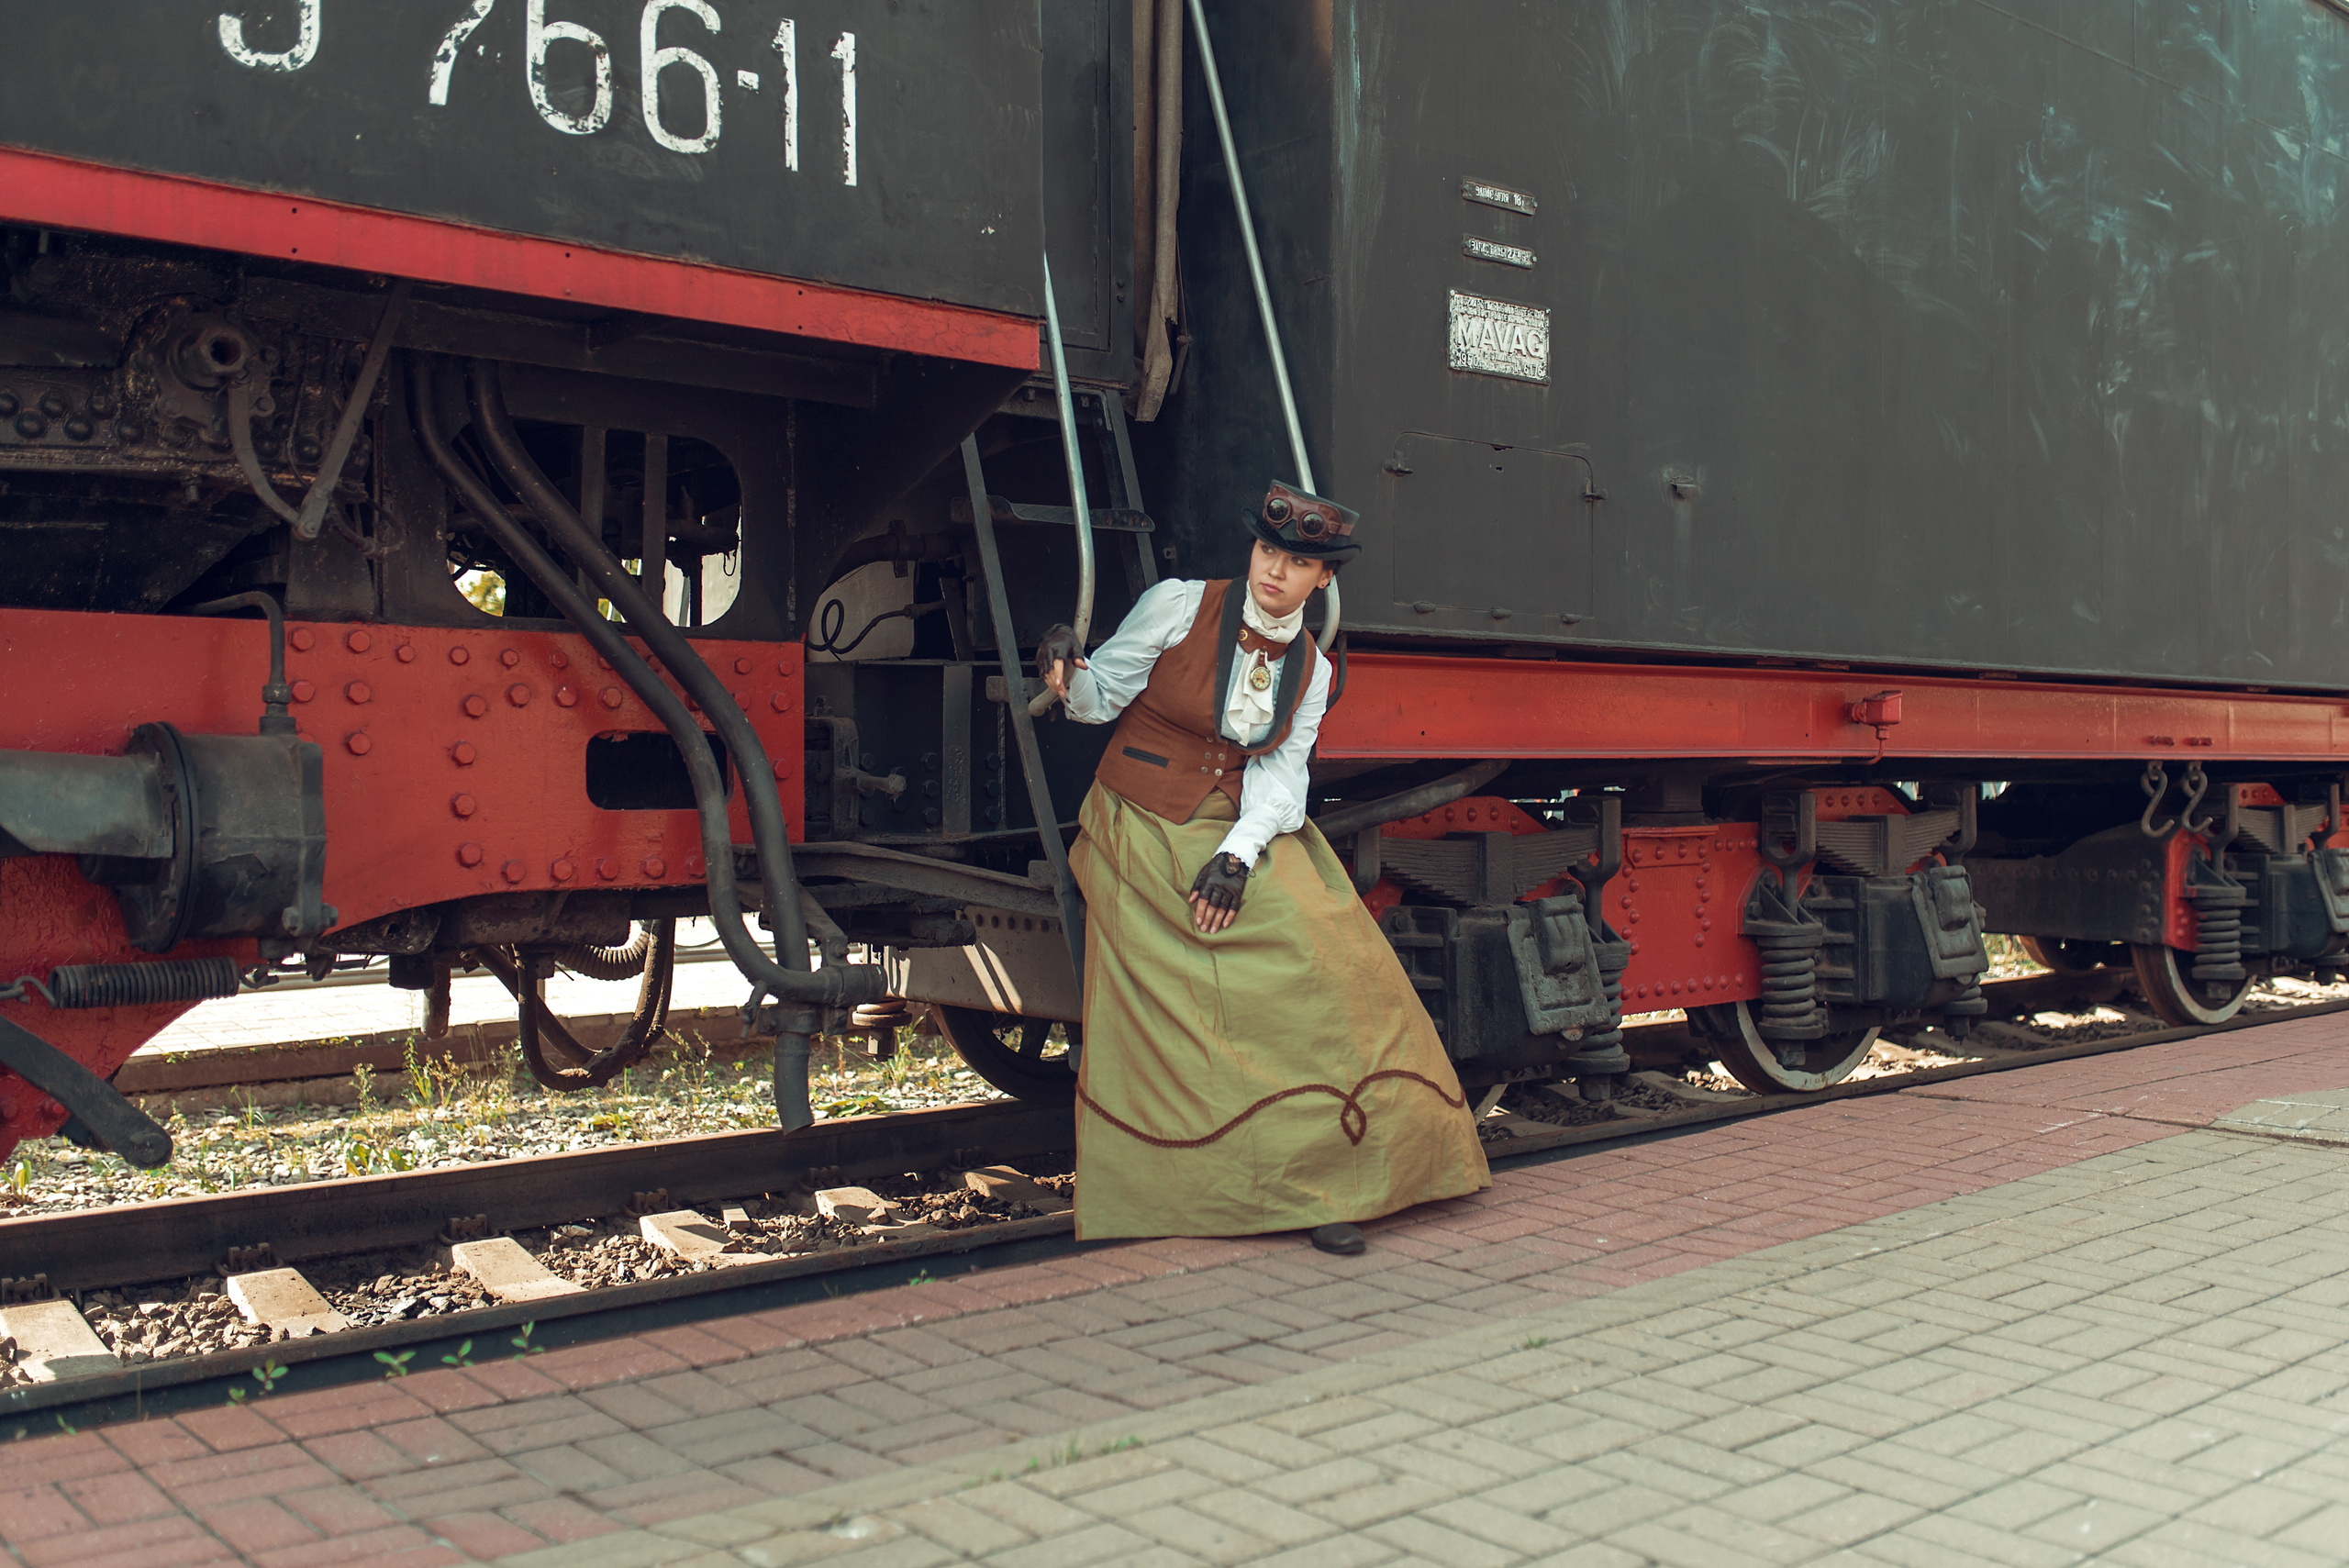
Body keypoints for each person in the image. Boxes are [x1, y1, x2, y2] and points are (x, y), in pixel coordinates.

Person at [1035, 482, 1491, 1253]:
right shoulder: (1180, 605)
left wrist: (1237, 857)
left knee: (1323, 943)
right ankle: (1227, 1182)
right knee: (1207, 967)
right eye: (1268, 551)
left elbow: (1281, 776)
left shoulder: (1310, 667)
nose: (1275, 570)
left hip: (1233, 823)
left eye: (1297, 561)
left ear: (1325, 580)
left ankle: (1335, 1174)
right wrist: (1065, 668)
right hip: (1140, 814)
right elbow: (1099, 698)